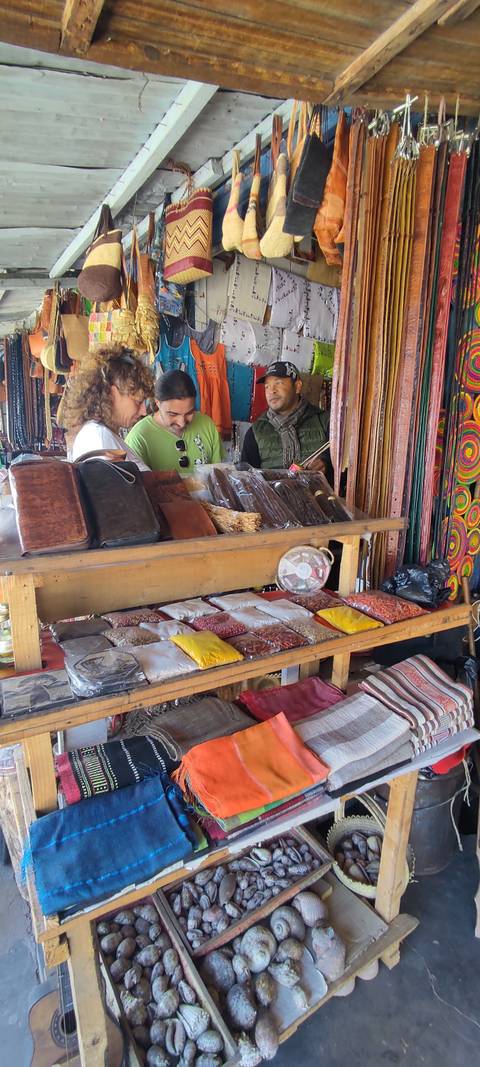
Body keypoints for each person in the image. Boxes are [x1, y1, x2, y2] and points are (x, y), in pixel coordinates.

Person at [62, 344, 154, 470]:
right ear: (112, 394)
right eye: (138, 402)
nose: (144, 411)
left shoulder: (99, 434)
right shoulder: (99, 438)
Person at [125, 369, 223, 472]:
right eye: (173, 414)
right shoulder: (138, 439)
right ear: (157, 402)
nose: (182, 423)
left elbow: (219, 474)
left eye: (189, 413)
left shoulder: (207, 425)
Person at [241, 360, 330, 471]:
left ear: (297, 386)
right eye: (267, 387)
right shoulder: (256, 432)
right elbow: (247, 480)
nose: (271, 391)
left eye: (278, 383)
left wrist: (326, 463)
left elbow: (346, 467)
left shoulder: (325, 422)